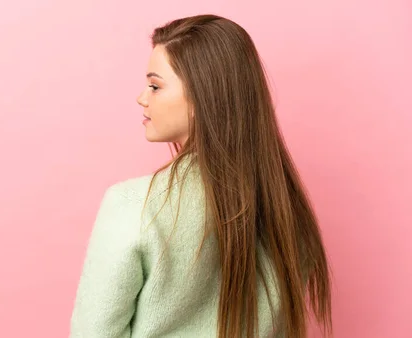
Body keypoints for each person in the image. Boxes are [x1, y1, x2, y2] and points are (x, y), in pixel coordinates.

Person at [69, 14, 332, 338]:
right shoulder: (287, 210)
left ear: (201, 97)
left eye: (155, 86)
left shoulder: (132, 205)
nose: (142, 98)